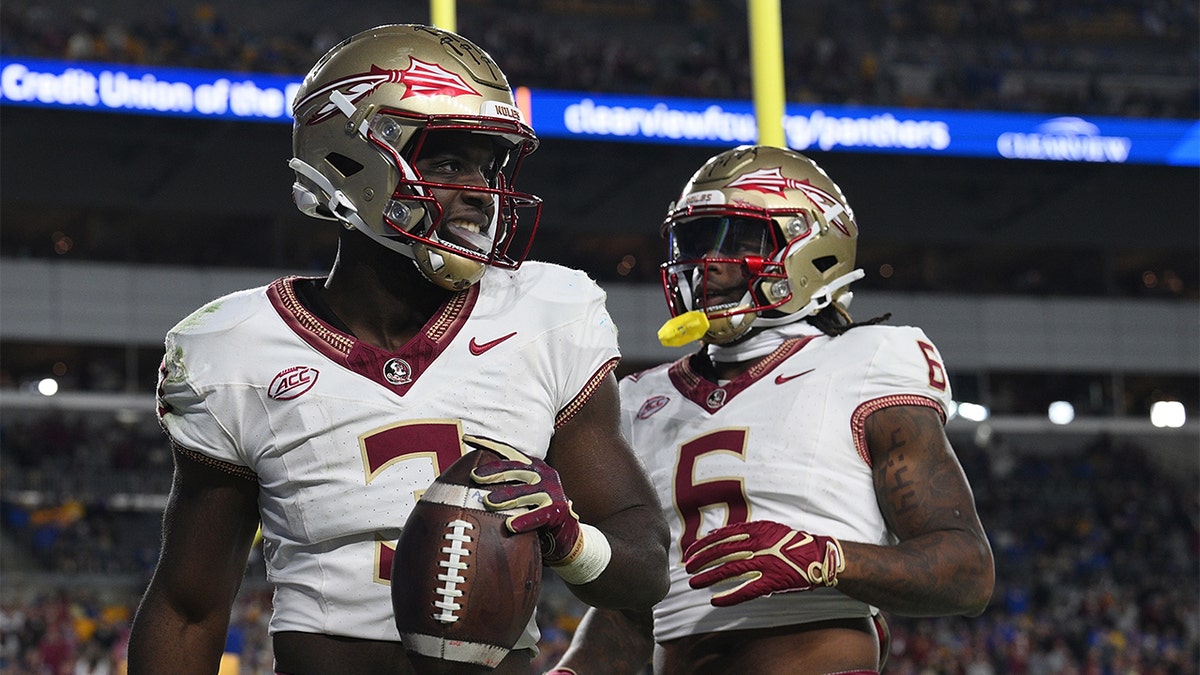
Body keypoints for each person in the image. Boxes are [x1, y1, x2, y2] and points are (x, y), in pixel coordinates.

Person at [126, 24, 669, 675]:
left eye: (489, 165)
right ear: (347, 162)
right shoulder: (238, 348)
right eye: (446, 163)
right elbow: (189, 609)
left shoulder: (547, 314)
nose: (479, 191)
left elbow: (644, 561)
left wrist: (576, 543)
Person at [549, 145, 995, 675]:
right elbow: (632, 613)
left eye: (737, 239)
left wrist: (824, 558)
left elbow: (967, 571)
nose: (706, 266)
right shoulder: (638, 399)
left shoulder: (870, 358)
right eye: (694, 241)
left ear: (814, 247)